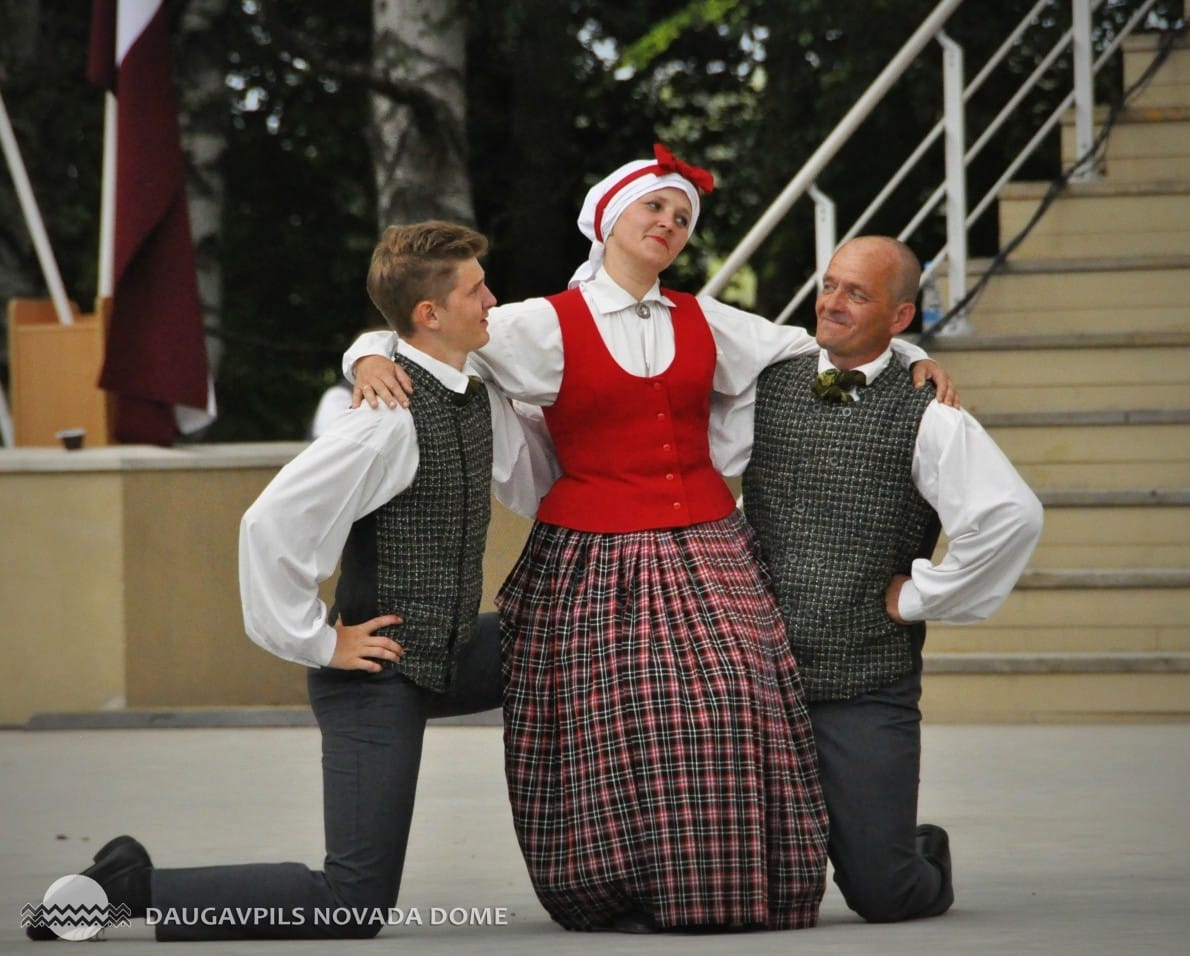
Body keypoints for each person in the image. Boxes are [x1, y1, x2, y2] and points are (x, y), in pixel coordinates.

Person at [345, 146, 957, 933]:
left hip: (708, 546)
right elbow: (422, 330)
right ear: (608, 220)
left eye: (681, 215)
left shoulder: (708, 320)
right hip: (591, 551)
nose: (668, 222)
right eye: (653, 208)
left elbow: (817, 350)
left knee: (737, 698)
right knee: (608, 717)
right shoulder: (539, 324)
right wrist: (364, 354)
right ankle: (617, 888)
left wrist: (911, 353)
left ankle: (733, 887)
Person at [27, 221, 553, 942]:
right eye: (477, 289)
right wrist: (319, 641)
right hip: (377, 675)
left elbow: (390, 345)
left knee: (575, 643)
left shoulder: (470, 386)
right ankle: (131, 887)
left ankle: (602, 852)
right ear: (430, 315)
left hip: (451, 648)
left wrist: (367, 350)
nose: (492, 299)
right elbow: (268, 524)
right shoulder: (384, 425)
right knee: (352, 902)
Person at [735, 235, 1044, 923]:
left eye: (857, 293)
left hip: (864, 679)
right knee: (743, 891)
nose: (832, 303)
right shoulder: (768, 378)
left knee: (884, 892)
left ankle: (917, 849)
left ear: (899, 317)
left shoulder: (926, 412)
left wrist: (921, 596)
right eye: (830, 284)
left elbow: (1012, 516)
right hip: (756, 676)